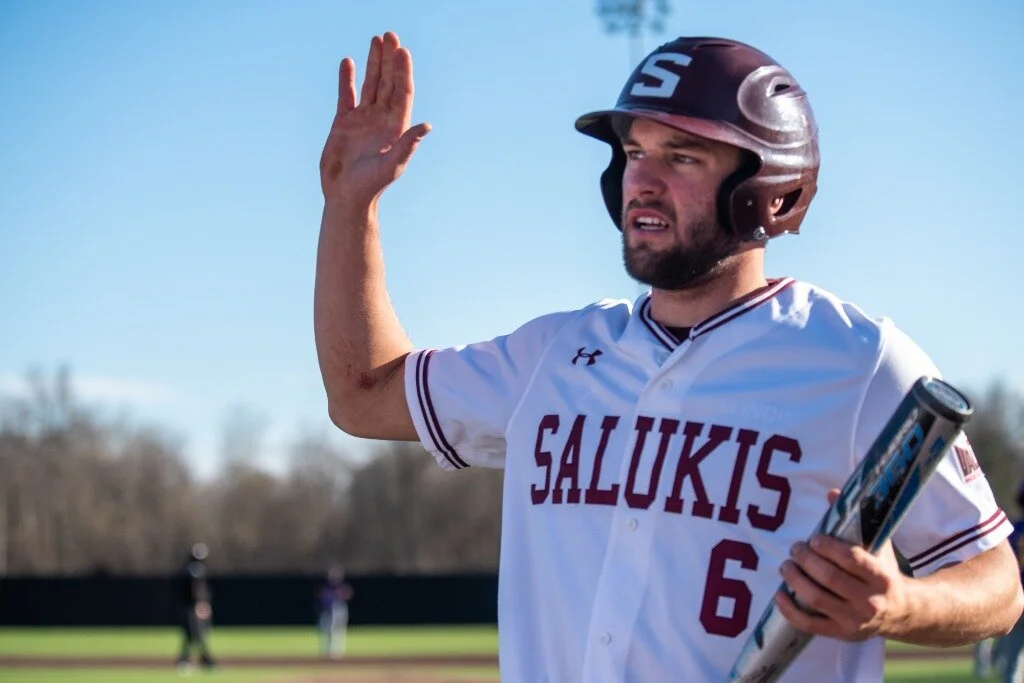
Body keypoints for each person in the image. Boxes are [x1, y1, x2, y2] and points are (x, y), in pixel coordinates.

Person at [314, 32, 1024, 682]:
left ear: (769, 189)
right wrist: (350, 208)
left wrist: (898, 605)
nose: (642, 180)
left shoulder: (861, 362)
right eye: (634, 154)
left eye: (682, 156)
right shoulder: (551, 355)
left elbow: (999, 586)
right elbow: (361, 395)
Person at [176, 542, 216, 672]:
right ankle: (202, 660)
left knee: (196, 635)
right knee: (194, 634)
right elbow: (196, 591)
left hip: (192, 608)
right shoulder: (193, 570)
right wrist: (200, 603)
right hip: (191, 608)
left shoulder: (196, 569)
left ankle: (199, 660)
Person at [315, 565, 354, 658]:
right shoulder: (326, 587)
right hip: (327, 611)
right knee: (326, 631)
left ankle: (337, 651)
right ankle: (326, 651)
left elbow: (348, 594)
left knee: (338, 631)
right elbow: (321, 597)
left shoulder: (342, 587)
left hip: (339, 610)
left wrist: (341, 595)